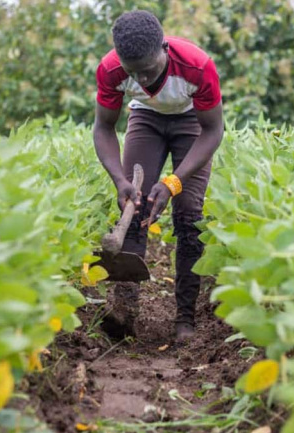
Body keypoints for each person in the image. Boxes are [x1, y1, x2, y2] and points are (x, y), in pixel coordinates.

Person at [92, 10, 224, 342]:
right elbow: (103, 127)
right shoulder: (110, 70)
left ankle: (185, 320)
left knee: (189, 216)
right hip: (146, 121)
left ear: (164, 48)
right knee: (133, 207)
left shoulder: (197, 67)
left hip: (192, 123)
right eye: (133, 73)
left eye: (149, 70)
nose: (143, 81)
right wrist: (119, 180)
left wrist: (173, 182)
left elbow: (212, 131)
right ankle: (124, 314)